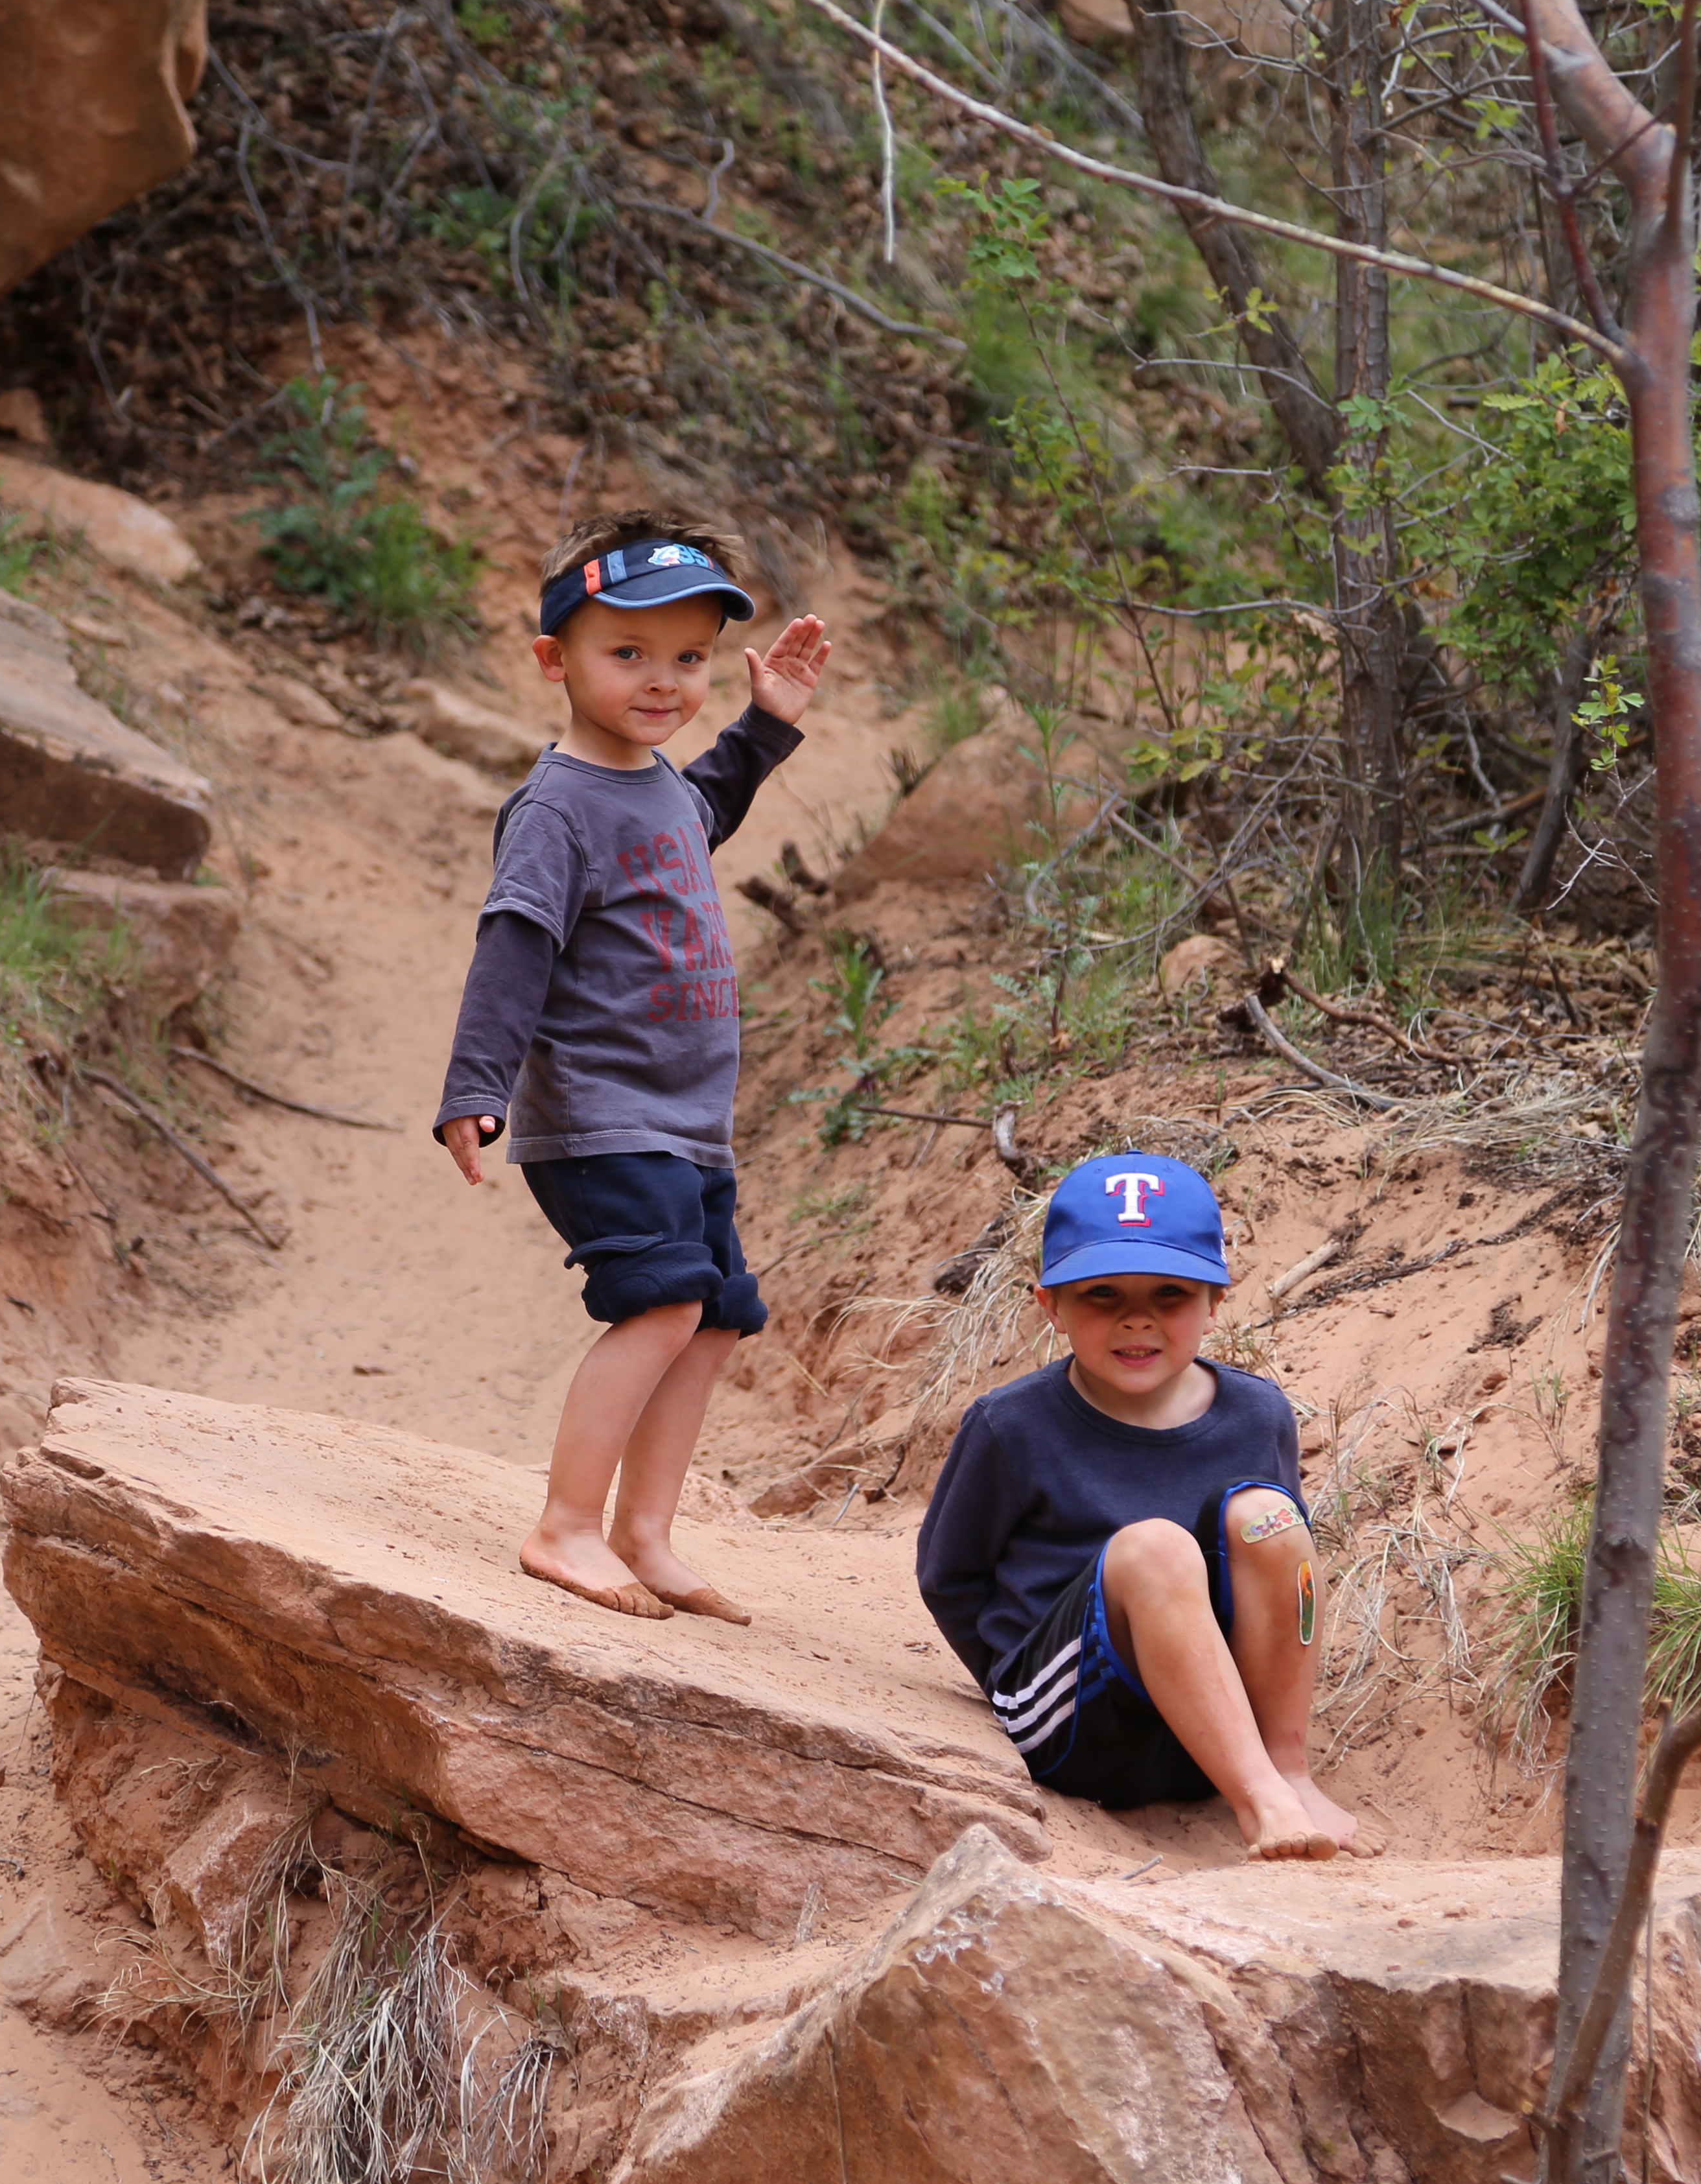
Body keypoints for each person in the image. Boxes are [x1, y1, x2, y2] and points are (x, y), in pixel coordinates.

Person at [432, 511, 833, 1625]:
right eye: (628, 654)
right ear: (554, 660)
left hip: (685, 1121)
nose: (662, 681)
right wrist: (474, 1085)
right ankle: (563, 1523)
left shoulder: (656, 782)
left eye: (689, 658)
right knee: (660, 1304)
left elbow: (699, 811)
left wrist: (765, 723)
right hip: (603, 1115)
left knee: (713, 1316)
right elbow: (513, 947)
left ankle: (644, 1533)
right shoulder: (555, 808)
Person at [915, 1152, 1368, 1859]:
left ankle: (1285, 1768)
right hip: (1078, 1729)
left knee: (1270, 1518)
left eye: (1169, 1294)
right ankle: (1261, 1801)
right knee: (1154, 1546)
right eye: (1101, 1294)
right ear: (1051, 1305)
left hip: (1205, 1726)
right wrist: (1016, 1693)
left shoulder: (1258, 1413)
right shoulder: (1012, 1425)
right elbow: (951, 1577)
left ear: (1216, 1301)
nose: (1136, 1320)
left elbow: (1282, 1582)